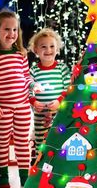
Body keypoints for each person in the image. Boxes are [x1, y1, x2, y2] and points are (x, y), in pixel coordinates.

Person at [0, 9, 40, 188]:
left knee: (23, 143)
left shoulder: (21, 56)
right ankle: (3, 177)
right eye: (7, 29)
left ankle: (25, 178)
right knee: (2, 143)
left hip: (23, 107)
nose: (11, 34)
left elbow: (26, 78)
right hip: (3, 108)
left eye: (14, 30)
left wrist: (33, 86)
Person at [28, 28, 71, 164]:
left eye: (52, 46)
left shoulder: (62, 68)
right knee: (41, 141)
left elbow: (68, 89)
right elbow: (28, 90)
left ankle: (59, 164)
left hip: (58, 114)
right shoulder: (33, 70)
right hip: (41, 115)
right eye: (43, 47)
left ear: (57, 49)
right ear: (36, 50)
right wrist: (34, 102)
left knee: (59, 138)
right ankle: (40, 165)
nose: (48, 50)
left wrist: (59, 101)